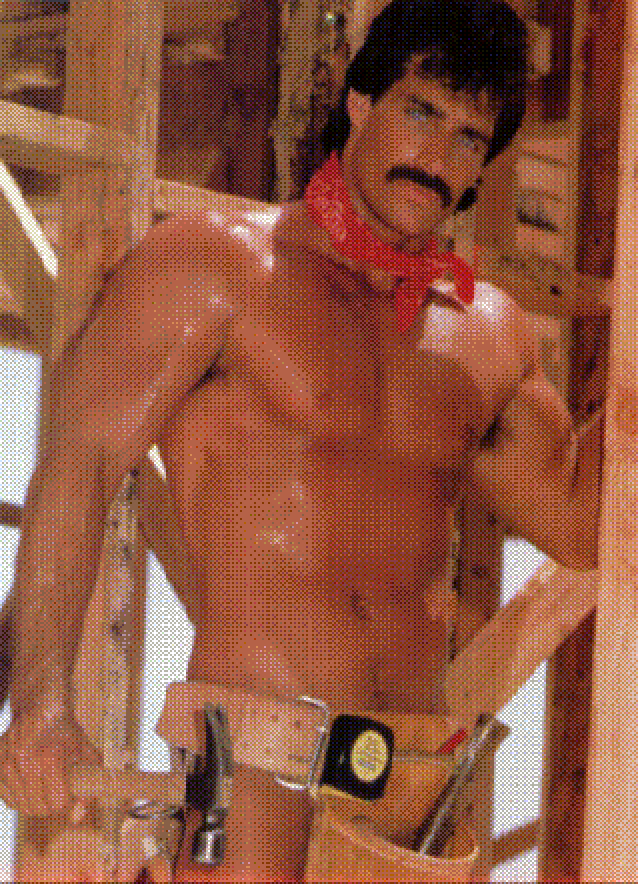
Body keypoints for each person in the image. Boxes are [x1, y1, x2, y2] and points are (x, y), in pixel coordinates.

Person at [0, 0, 603, 880]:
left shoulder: (487, 335)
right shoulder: (215, 266)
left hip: (414, 783)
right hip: (257, 762)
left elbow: (586, 524)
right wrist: (42, 699)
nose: (438, 155)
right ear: (360, 103)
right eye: (421, 111)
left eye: (470, 138)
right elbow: (81, 463)